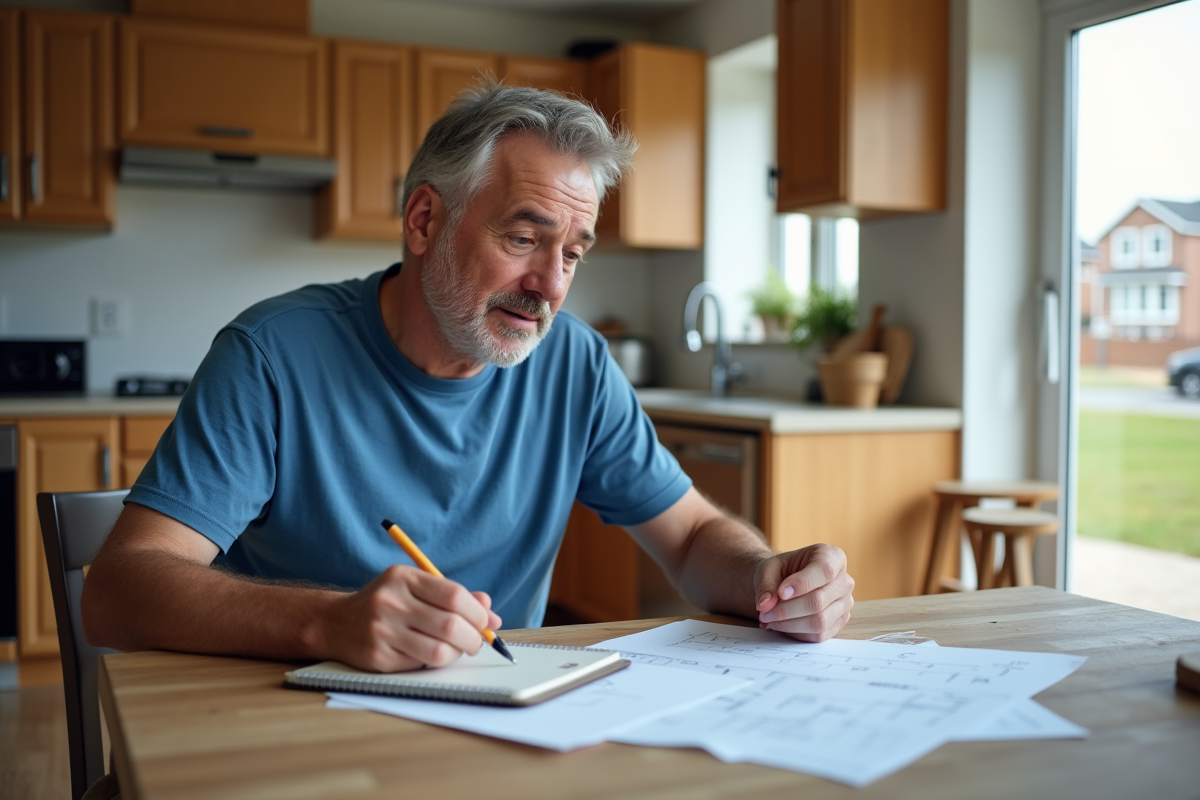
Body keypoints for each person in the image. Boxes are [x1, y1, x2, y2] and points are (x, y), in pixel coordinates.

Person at [82, 84, 855, 672]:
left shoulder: (576, 363)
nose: (550, 285)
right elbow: (118, 592)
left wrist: (765, 576)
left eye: (574, 253)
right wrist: (326, 622)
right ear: (424, 222)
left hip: (495, 717)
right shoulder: (272, 355)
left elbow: (688, 538)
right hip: (292, 728)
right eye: (525, 236)